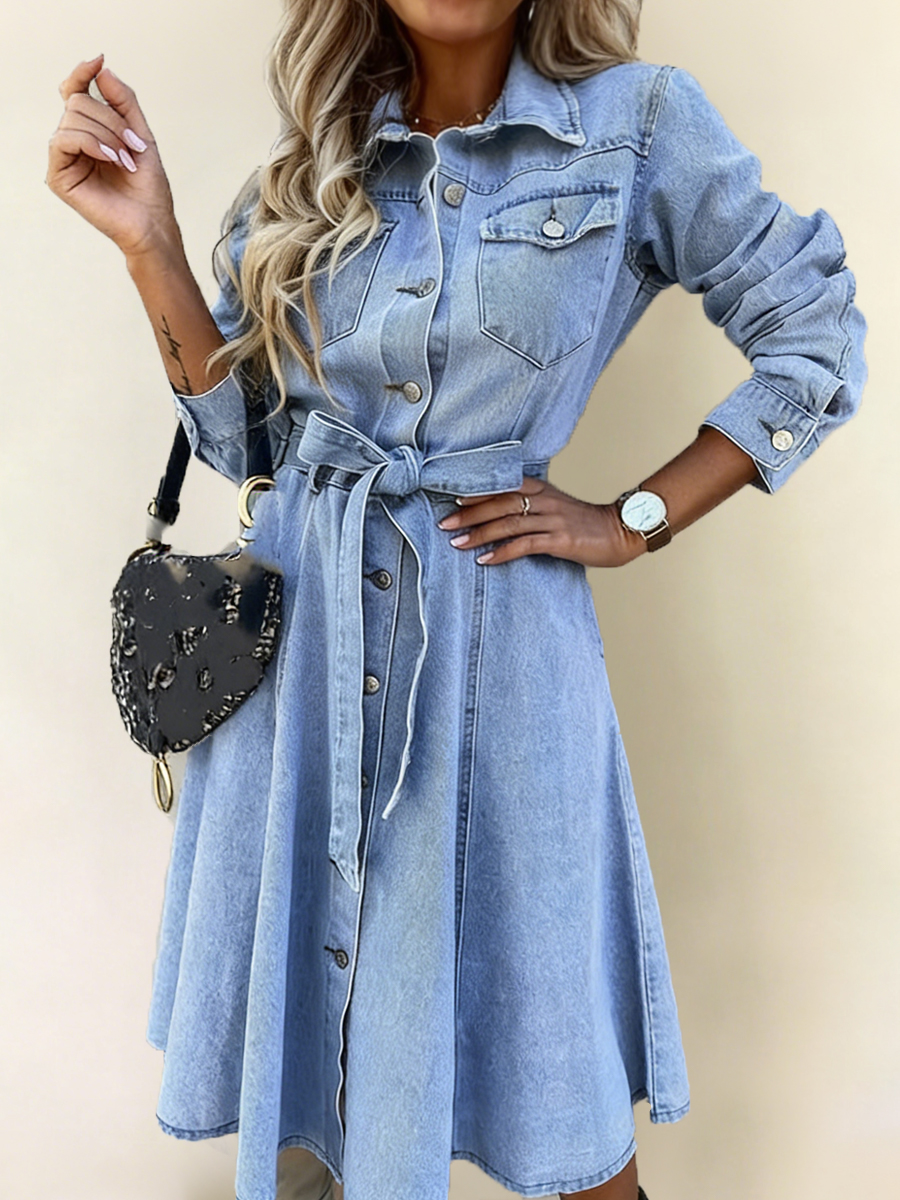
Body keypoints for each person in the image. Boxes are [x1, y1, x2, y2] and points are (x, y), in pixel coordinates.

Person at [46, 2, 867, 1199]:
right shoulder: (311, 161)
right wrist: (150, 243)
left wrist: (631, 520)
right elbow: (244, 441)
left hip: (499, 674)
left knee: (562, 1090)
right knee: (312, 1093)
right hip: (304, 676)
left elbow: (817, 328)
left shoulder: (637, 125)